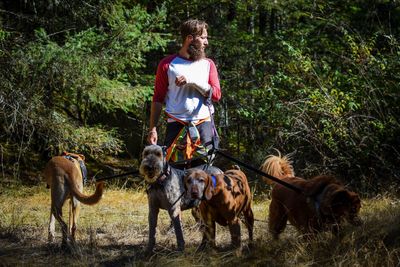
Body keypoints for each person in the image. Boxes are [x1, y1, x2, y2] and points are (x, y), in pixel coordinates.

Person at [147, 19, 221, 168]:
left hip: (203, 124)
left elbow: (216, 95)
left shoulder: (208, 64)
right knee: (174, 171)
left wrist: (192, 80)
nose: (206, 42)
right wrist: (153, 128)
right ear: (189, 39)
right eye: (203, 38)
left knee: (203, 172)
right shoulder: (167, 64)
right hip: (176, 124)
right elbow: (158, 98)